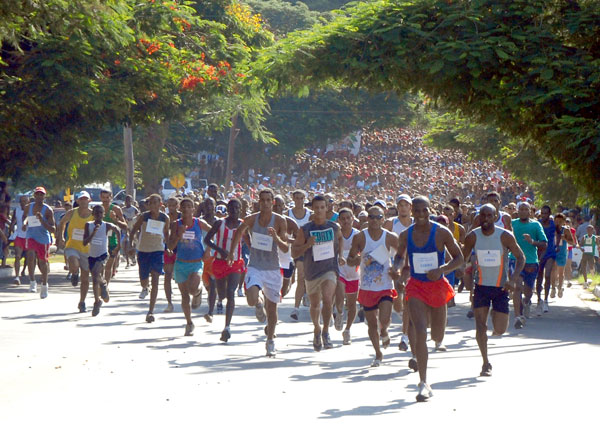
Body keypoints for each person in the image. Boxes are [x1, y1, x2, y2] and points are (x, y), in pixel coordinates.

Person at [391, 195, 463, 402]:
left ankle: (437, 337)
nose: (421, 215)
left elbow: (459, 258)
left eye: (425, 211)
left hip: (437, 286)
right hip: (416, 286)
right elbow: (399, 257)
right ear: (411, 211)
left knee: (437, 335)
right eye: (418, 210)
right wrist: (396, 270)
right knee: (420, 331)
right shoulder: (406, 234)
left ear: (430, 211)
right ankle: (423, 382)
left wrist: (442, 269)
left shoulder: (441, 232)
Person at [462, 204, 524, 376]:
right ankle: (485, 362)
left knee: (500, 329)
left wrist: (513, 279)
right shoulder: (472, 237)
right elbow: (463, 258)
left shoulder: (504, 236)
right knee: (480, 327)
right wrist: (463, 272)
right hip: (481, 286)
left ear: (495, 216)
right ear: (479, 217)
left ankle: (494, 314)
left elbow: (521, 257)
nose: (486, 219)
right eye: (483, 215)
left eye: (490, 215)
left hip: (501, 287)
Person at [228, 188, 288, 357]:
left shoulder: (280, 221)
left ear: (273, 203)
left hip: (273, 268)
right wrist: (233, 252)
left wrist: (276, 237)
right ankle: (258, 304)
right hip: (255, 265)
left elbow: (285, 247)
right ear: (258, 202)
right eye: (263, 200)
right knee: (251, 298)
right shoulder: (251, 219)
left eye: (269, 200)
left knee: (273, 308)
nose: (266, 203)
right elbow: (238, 231)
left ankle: (270, 341)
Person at [348, 206, 398, 366]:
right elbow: (350, 258)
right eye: (372, 217)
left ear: (383, 219)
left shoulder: (390, 237)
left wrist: (396, 269)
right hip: (367, 287)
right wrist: (354, 260)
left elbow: (402, 256)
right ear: (367, 218)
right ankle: (378, 353)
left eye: (379, 217)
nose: (375, 220)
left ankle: (384, 331)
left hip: (385, 285)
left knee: (384, 319)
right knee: (371, 323)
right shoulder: (360, 237)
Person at [293, 194, 344, 351]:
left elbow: (340, 239)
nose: (320, 210)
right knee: (315, 304)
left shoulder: (334, 227)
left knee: (328, 299)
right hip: (311, 271)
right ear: (312, 209)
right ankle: (317, 328)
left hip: (329, 269)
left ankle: (326, 331)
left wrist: (340, 256)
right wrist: (307, 245)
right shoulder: (306, 229)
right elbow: (294, 252)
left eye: (323, 207)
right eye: (317, 208)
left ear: (327, 208)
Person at [168, 198, 212, 336]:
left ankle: (198, 293)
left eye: (189, 207)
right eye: (184, 207)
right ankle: (189, 323)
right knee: (184, 296)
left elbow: (213, 232)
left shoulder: (199, 223)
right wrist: (178, 235)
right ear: (180, 209)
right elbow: (170, 246)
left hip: (196, 262)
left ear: (193, 209)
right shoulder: (176, 224)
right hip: (181, 263)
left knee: (193, 288)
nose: (186, 209)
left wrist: (208, 250)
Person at [203, 198, 246, 342]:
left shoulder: (242, 225)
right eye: (231, 208)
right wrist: (219, 249)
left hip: (235, 263)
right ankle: (218, 300)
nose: (234, 211)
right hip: (220, 262)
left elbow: (250, 242)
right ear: (227, 210)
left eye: (236, 208)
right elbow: (207, 240)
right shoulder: (219, 223)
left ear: (240, 210)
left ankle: (227, 327)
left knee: (231, 292)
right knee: (222, 294)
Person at [129, 194, 170, 323]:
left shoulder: (165, 218)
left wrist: (168, 247)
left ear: (160, 204)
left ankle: (150, 311)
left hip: (157, 251)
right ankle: (145, 287)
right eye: (150, 203)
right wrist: (131, 244)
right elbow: (134, 230)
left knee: (156, 279)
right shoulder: (144, 217)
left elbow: (166, 233)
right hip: (143, 251)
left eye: (155, 203)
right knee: (144, 281)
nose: (153, 205)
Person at [510, 202, 547, 329]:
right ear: (518, 211)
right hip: (514, 260)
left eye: (526, 209)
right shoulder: (512, 224)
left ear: (530, 211)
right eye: (521, 209)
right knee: (517, 287)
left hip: (531, 261)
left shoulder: (536, 225)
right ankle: (517, 315)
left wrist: (532, 242)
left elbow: (544, 243)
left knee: (528, 291)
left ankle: (526, 302)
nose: (523, 211)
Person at [383, 193, 413, 351]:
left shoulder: (416, 223)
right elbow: (381, 241)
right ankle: (404, 318)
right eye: (400, 205)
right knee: (397, 302)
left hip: (412, 266)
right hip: (394, 265)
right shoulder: (391, 223)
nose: (403, 208)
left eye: (405, 205)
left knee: (407, 300)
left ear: (410, 207)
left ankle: (405, 335)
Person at [83, 205, 121, 316]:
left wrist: (118, 246)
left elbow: (117, 229)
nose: (98, 215)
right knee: (95, 279)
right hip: (92, 256)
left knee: (95, 274)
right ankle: (97, 300)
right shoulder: (88, 225)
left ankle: (103, 287)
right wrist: (93, 233)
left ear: (103, 214)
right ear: (92, 214)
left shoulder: (106, 225)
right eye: (96, 213)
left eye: (101, 213)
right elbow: (85, 242)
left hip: (103, 255)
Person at [23, 187, 56, 298]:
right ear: (34, 196)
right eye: (37, 194)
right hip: (31, 236)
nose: (39, 197)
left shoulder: (48, 210)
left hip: (43, 239)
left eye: (41, 195)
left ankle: (44, 284)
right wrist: (24, 224)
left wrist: (42, 220)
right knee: (30, 256)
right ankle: (32, 282)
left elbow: (53, 229)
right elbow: (25, 218)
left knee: (42, 262)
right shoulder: (28, 207)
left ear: (44, 196)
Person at [288, 190, 312, 320]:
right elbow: (285, 235)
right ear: (293, 199)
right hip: (295, 249)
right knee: (299, 277)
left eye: (301, 198)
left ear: (304, 199)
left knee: (304, 277)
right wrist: (296, 241)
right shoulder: (288, 214)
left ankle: (303, 299)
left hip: (308, 249)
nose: (299, 200)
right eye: (296, 198)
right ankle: (296, 308)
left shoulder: (310, 214)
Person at [337, 208, 360, 344]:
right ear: (339, 220)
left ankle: (347, 330)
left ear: (353, 219)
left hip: (354, 271)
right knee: (339, 293)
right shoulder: (337, 234)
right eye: (343, 219)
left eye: (348, 218)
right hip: (340, 268)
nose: (346, 221)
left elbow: (363, 251)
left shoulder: (358, 235)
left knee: (352, 304)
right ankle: (339, 312)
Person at [99, 190, 128, 296]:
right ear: (100, 197)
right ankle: (101, 285)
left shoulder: (116, 209)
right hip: (100, 242)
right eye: (104, 197)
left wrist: (115, 220)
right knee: (100, 267)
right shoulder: (97, 210)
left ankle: (105, 287)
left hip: (113, 241)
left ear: (111, 198)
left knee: (108, 266)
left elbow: (125, 226)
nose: (106, 200)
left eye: (108, 197)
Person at [535, 205, 556, 314]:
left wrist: (556, 245)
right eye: (542, 213)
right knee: (539, 277)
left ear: (549, 214)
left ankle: (546, 299)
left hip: (550, 253)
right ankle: (539, 299)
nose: (544, 215)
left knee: (547, 275)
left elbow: (559, 234)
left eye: (546, 213)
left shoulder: (553, 224)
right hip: (539, 254)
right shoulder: (537, 224)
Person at [163, 197, 180, 313]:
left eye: (173, 205)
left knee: (182, 277)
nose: (171, 208)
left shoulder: (182, 218)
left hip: (181, 249)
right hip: (168, 248)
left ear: (177, 206)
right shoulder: (164, 217)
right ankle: (169, 303)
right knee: (167, 275)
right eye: (169, 205)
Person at [9, 195, 28, 285]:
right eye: (21, 201)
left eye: (25, 201)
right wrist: (12, 231)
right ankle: (17, 277)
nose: (23, 203)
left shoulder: (32, 210)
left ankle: (25, 271)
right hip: (19, 236)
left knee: (29, 257)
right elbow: (12, 222)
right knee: (17, 256)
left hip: (29, 237)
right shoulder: (17, 210)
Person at [122, 195, 139, 268]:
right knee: (125, 244)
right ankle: (127, 262)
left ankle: (133, 257)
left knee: (133, 244)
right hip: (125, 229)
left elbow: (138, 218)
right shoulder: (122, 209)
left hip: (133, 229)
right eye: (126, 201)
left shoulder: (134, 209)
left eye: (129, 201)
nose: (127, 202)